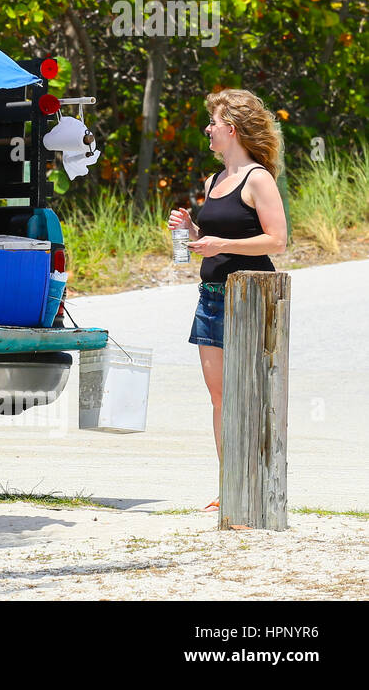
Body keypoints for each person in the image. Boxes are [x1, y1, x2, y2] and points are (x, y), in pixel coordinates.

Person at [167, 89, 287, 510]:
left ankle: (256, 484)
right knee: (219, 396)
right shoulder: (213, 181)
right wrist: (193, 233)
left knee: (249, 393)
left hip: (250, 298)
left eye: (213, 123)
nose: (208, 130)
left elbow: (278, 240)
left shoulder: (259, 178)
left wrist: (220, 243)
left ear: (231, 130)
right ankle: (229, 486)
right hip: (212, 296)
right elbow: (216, 241)